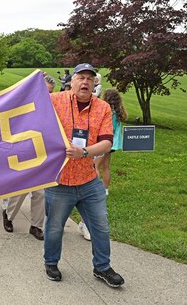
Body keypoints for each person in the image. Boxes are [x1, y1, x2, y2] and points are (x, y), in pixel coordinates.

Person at [45, 63, 124, 288]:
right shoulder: (55, 101)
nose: (85, 82)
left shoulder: (103, 108)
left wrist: (85, 152)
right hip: (59, 180)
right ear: (72, 81)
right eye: (81, 77)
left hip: (89, 180)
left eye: (90, 78)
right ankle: (51, 262)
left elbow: (107, 142)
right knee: (54, 227)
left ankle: (102, 267)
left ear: (95, 83)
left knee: (100, 226)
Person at [94, 88, 128, 196]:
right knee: (106, 167)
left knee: (95, 166)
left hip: (105, 141)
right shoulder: (118, 112)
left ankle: (94, 190)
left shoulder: (107, 111)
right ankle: (105, 190)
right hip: (113, 143)